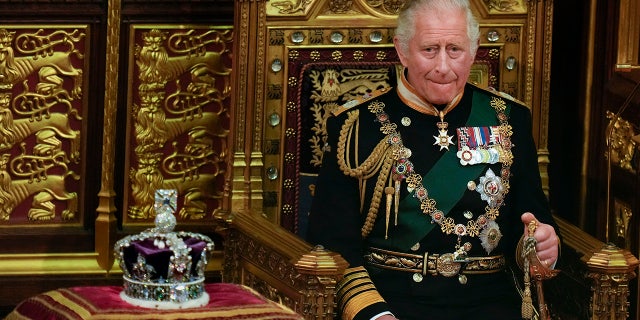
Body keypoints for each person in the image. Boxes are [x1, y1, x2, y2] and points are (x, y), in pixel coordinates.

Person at [305, 0, 560, 319]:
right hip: (394, 302)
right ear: (402, 50)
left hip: (490, 303)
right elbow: (332, 243)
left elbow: (532, 221)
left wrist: (538, 247)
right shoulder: (357, 126)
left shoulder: (508, 119)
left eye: (455, 49)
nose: (443, 66)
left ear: (474, 48)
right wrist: (372, 313)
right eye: (429, 49)